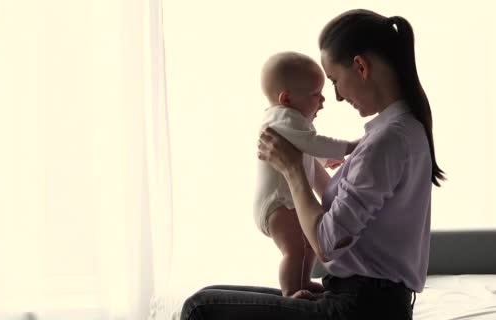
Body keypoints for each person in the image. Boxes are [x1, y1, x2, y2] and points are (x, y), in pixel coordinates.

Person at [180, 8, 445, 320]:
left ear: (360, 66)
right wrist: (303, 163)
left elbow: (326, 244)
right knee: (212, 298)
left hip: (361, 308)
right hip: (368, 300)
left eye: (334, 80)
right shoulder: (405, 129)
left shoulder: (386, 141)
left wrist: (293, 169)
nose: (336, 97)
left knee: (200, 308)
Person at [254, 51, 358, 297]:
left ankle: (302, 282)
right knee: (296, 249)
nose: (323, 100)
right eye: (315, 94)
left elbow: (303, 148)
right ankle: (291, 291)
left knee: (306, 245)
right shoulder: (285, 117)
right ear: (287, 98)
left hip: (282, 204)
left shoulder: (284, 120)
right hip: (278, 205)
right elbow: (313, 143)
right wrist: (352, 147)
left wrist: (324, 159)